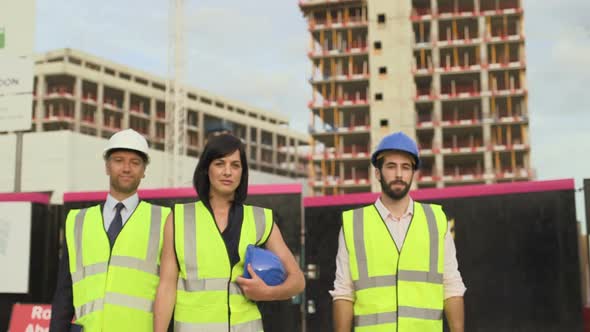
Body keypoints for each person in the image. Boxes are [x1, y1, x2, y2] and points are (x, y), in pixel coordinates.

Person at [154, 134, 305, 332]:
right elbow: (166, 288)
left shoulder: (260, 219)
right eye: (219, 163)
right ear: (206, 169)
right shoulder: (179, 218)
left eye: (235, 165)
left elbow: (297, 281)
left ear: (243, 172)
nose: (228, 172)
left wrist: (267, 292)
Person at [331, 131, 466, 332]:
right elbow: (344, 292)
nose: (399, 174)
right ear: (377, 172)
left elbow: (452, 286)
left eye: (406, 167)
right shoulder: (354, 223)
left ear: (413, 173)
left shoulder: (436, 220)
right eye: (391, 166)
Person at [49, 129, 171, 332]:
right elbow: (64, 293)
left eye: (135, 162)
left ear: (144, 170)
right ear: (107, 166)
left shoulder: (165, 220)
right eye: (119, 160)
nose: (126, 168)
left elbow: (170, 290)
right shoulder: (78, 221)